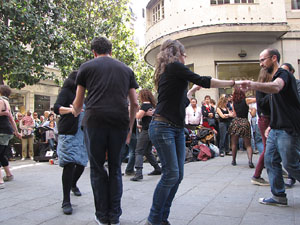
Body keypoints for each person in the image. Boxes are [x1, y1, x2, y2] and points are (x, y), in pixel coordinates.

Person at [145, 39, 237, 225]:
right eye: (184, 54)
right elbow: (204, 79)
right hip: (164, 127)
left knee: (177, 176)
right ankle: (154, 220)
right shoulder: (174, 67)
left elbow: (181, 102)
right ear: (178, 53)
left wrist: (192, 90)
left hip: (176, 129)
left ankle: (162, 218)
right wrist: (233, 82)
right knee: (171, 174)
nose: (185, 58)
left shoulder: (171, 73)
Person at [72, 36, 139, 225]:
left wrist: (75, 110)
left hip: (94, 122)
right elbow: (134, 103)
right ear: (111, 50)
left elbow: (78, 104)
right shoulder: (126, 70)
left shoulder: (86, 67)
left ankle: (102, 216)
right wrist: (129, 128)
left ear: (93, 52)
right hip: (119, 122)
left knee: (97, 168)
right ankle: (114, 216)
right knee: (116, 168)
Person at [238, 48, 300, 206]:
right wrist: (271, 126)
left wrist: (253, 85)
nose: (261, 64)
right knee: (271, 160)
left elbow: (277, 87)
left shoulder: (283, 75)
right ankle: (278, 195)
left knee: (290, 164)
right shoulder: (273, 78)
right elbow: (278, 106)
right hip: (275, 128)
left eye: (263, 60)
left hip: (288, 129)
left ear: (273, 58)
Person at [54, 71, 89, 215]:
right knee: (69, 164)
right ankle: (66, 201)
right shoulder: (66, 92)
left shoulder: (85, 96)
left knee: (81, 164)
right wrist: (72, 110)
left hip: (82, 134)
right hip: (69, 133)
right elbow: (56, 108)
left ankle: (73, 184)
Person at [131, 89, 161, 182]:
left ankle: (138, 173)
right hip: (152, 130)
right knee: (147, 151)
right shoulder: (152, 106)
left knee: (138, 151)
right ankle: (157, 169)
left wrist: (137, 112)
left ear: (142, 96)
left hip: (145, 131)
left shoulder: (145, 105)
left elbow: (138, 116)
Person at [250, 69, 272, 186]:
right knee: (267, 147)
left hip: (268, 119)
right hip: (265, 119)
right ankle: (257, 175)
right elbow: (261, 104)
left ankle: (274, 168)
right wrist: (271, 95)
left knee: (270, 147)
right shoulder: (261, 89)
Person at [280, 63, 299, 188]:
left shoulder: (296, 84)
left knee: (291, 160)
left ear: (291, 72)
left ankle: (291, 177)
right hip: (281, 125)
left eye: (285, 71)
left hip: (293, 125)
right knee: (272, 159)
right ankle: (278, 193)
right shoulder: (280, 86)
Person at [228, 88, 256, 168]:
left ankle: (233, 160)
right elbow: (256, 99)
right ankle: (250, 161)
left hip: (236, 122)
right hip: (244, 121)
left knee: (234, 143)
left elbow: (234, 114)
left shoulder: (234, 103)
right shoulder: (246, 100)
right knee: (248, 144)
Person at [0, 85, 21, 189]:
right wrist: (16, 131)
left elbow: (5, 114)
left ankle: (0, 181)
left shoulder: (0, 101)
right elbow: (11, 118)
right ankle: (9, 174)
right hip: (7, 131)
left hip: (2, 130)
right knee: (2, 153)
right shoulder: (7, 102)